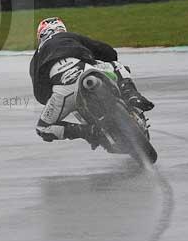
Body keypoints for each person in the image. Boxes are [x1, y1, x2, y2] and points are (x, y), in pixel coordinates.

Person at [29, 17, 154, 147]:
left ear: (41, 36)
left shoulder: (35, 60)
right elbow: (106, 50)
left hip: (63, 90)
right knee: (117, 66)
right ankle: (132, 95)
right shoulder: (68, 36)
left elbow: (40, 95)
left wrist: (54, 100)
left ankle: (90, 132)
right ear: (62, 29)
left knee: (42, 128)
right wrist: (105, 59)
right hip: (88, 69)